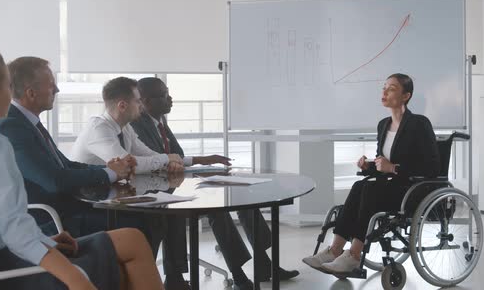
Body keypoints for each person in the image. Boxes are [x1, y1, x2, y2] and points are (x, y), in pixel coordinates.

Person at [0, 46, 163, 290]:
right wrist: (75, 277)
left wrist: (44, 239)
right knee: (132, 247)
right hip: (15, 268)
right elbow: (15, 231)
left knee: (131, 242)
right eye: (8, 86)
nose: (12, 94)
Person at [0, 58, 176, 287]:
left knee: (148, 219)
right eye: (51, 84)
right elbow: (55, 180)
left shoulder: (27, 122)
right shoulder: (12, 126)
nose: (57, 90)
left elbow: (66, 165)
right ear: (30, 93)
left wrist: (108, 170)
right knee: (141, 222)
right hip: (49, 220)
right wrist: (110, 173)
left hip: (65, 209)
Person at [131, 77, 300, 288]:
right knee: (218, 211)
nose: (171, 99)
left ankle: (264, 263)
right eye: (164, 95)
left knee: (242, 197)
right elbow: (156, 160)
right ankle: (239, 276)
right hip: (158, 191)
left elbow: (178, 154)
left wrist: (205, 160)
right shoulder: (136, 125)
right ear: (146, 101)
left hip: (176, 184)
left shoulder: (160, 121)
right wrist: (182, 161)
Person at [302, 73, 440, 274]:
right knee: (360, 185)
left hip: (411, 189)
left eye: (391, 88)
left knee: (369, 189)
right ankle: (335, 250)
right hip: (388, 185)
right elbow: (382, 162)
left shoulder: (419, 124)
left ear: (406, 96)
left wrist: (393, 168)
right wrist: (369, 166)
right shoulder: (383, 124)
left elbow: (432, 167)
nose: (384, 92)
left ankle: (354, 255)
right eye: (384, 87)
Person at [70, 77, 191, 289]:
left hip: (116, 196)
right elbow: (129, 164)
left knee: (167, 214)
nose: (141, 105)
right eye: (137, 101)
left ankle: (160, 280)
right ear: (122, 105)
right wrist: (167, 159)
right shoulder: (99, 127)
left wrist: (169, 159)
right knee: (151, 221)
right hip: (91, 202)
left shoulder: (124, 127)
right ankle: (140, 281)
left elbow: (147, 155)